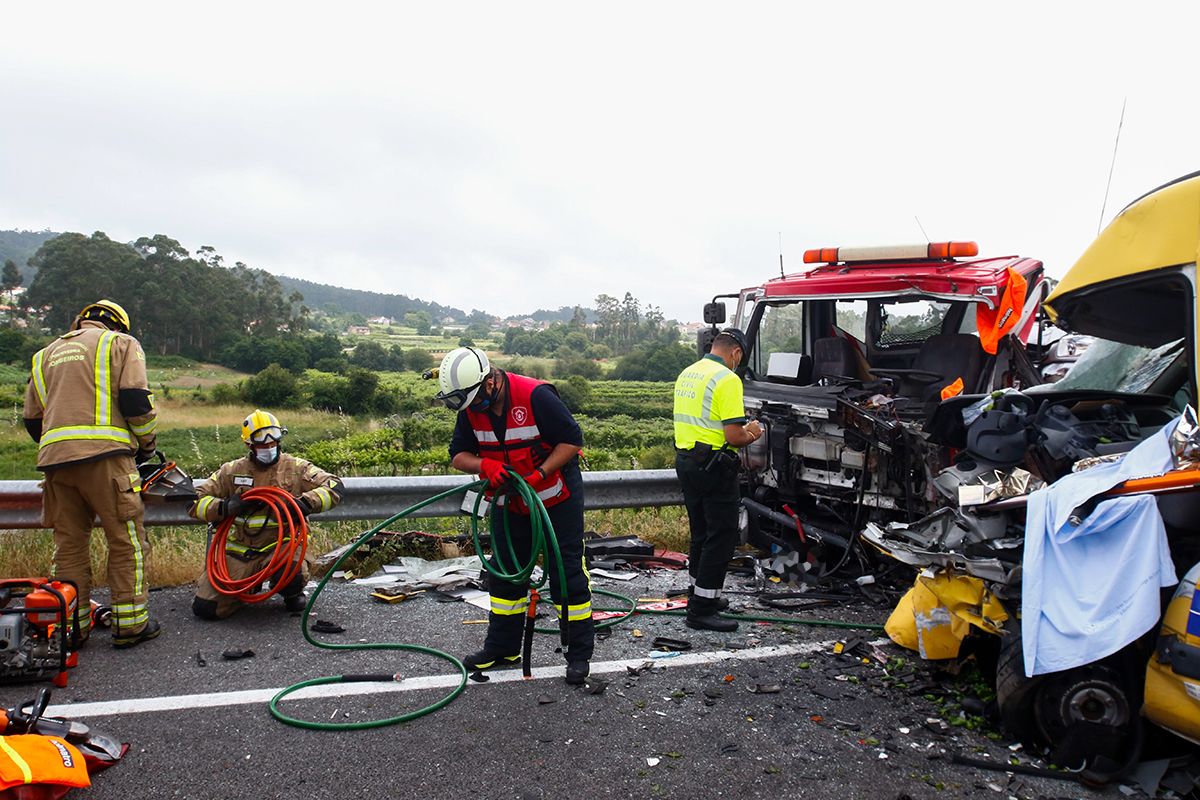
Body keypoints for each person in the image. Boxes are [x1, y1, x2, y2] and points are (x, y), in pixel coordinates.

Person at [436, 346, 594, 685]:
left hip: (555, 500)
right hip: (508, 502)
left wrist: (539, 475)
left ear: (490, 382)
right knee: (506, 574)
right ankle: (503, 647)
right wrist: (485, 465)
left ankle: (579, 653)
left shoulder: (536, 396)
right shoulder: (471, 405)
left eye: (475, 401)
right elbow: (458, 456)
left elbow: (572, 442)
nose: (472, 410)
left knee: (565, 574)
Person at [22, 299, 160, 648]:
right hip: (107, 459)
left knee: (69, 545)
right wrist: (147, 446)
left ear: (80, 320)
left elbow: (32, 420)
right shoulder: (120, 344)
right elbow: (135, 402)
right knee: (126, 541)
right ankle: (130, 625)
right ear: (118, 324)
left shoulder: (44, 356)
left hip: (55, 464)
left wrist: (62, 447)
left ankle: (73, 627)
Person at [188, 409, 343, 619]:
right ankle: (245, 587)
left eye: (273, 443)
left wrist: (302, 504)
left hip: (282, 546)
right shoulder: (232, 471)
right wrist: (225, 507)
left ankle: (291, 592)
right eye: (263, 445)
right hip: (242, 550)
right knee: (206, 609)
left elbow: (334, 486)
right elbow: (194, 501)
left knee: (291, 574)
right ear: (249, 445)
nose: (269, 448)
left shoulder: (296, 468)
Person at [673, 327, 763, 632]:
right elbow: (734, 436)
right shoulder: (727, 379)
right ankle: (702, 610)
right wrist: (754, 431)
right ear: (736, 353)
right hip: (714, 466)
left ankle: (698, 594)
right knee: (721, 537)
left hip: (687, 462)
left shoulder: (689, 372)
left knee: (700, 533)